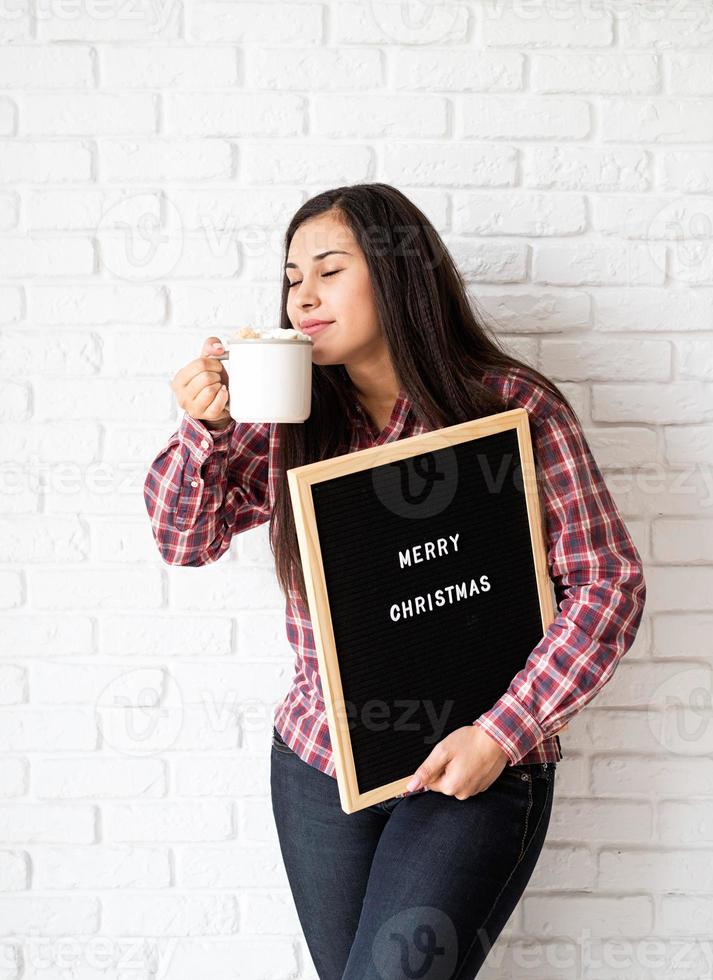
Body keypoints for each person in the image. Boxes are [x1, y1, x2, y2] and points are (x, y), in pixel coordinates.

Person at [143, 183, 647, 979]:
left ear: (398, 273)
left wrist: (500, 734)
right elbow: (185, 539)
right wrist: (205, 430)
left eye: (329, 269)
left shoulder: (512, 407)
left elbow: (606, 584)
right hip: (319, 762)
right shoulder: (286, 413)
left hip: (475, 763)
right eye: (290, 275)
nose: (301, 294)